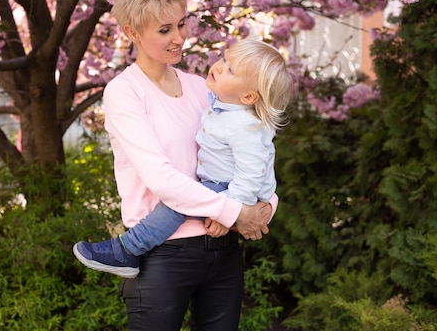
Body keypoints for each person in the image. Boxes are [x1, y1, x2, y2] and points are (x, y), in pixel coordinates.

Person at [73, 0, 281, 331]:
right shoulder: (125, 92)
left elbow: (253, 148)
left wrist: (265, 207)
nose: (179, 38)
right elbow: (162, 179)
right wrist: (235, 210)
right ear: (133, 32)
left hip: (222, 249)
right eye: (164, 30)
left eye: (182, 24)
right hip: (163, 257)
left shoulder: (203, 88)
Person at [74, 38, 294, 279]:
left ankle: (128, 249)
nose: (219, 66)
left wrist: (230, 210)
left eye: (230, 70)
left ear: (249, 97)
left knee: (174, 207)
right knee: (180, 201)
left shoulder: (245, 126)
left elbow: (253, 174)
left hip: (230, 188)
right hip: (223, 191)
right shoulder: (221, 105)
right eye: (224, 59)